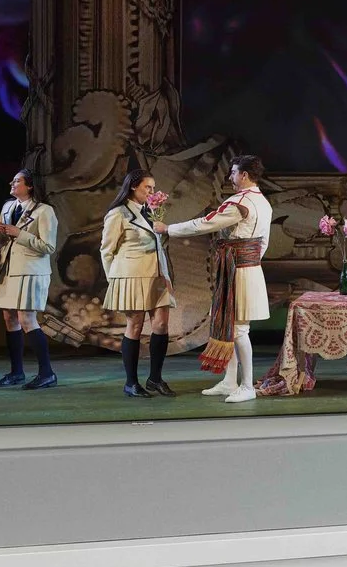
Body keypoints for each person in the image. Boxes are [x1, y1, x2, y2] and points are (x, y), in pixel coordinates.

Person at [166, 154, 271, 404]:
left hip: (240, 270)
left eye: (233, 172)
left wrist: (168, 229)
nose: (231, 176)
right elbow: (263, 243)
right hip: (246, 267)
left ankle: (247, 385)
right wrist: (248, 259)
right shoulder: (263, 201)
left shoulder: (241, 202)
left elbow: (204, 224)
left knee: (239, 329)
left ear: (244, 175)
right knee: (232, 326)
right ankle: (229, 381)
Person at [98, 166, 177, 398]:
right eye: (147, 187)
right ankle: (131, 382)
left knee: (161, 325)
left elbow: (159, 248)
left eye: (154, 188)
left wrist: (167, 275)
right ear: (133, 186)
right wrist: (114, 280)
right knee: (134, 326)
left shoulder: (153, 212)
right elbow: (106, 250)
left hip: (157, 276)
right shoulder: (118, 214)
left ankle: (155, 379)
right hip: (131, 275)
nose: (152, 192)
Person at [0, 170, 60, 388]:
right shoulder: (8, 207)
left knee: (27, 319)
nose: (12, 183)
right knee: (9, 318)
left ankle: (47, 373)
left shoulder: (45, 211)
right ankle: (16, 372)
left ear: (29, 186)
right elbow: (3, 236)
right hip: (7, 270)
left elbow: (48, 246)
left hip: (30, 271)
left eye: (17, 180)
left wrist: (20, 234)